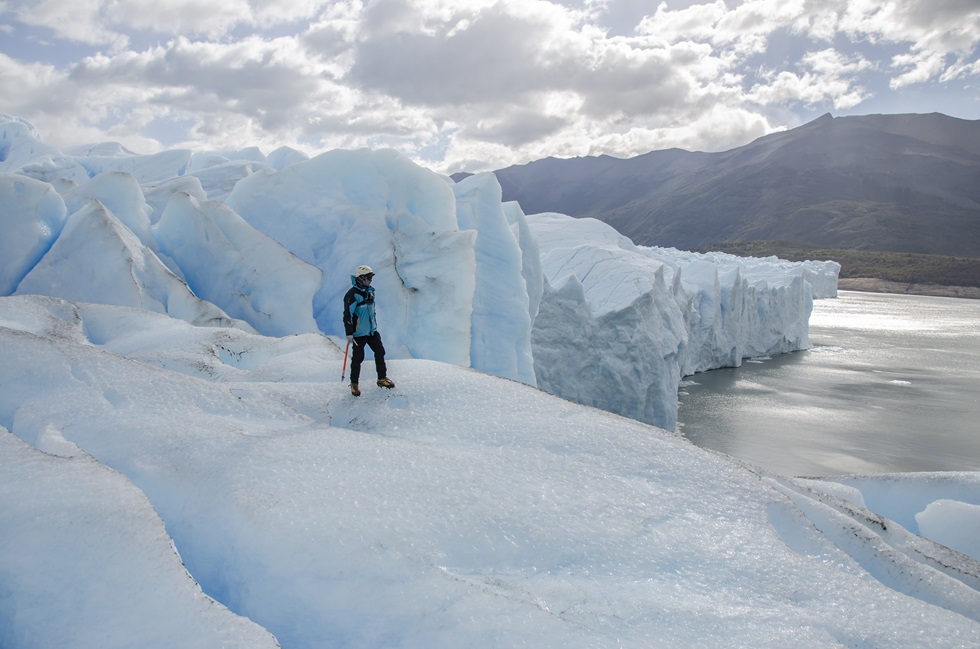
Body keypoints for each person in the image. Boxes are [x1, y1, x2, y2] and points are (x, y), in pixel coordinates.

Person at [343, 265, 395, 396]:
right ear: (361, 278)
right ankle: (354, 384)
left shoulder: (370, 291)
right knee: (358, 358)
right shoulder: (352, 295)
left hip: (372, 331)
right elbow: (347, 315)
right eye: (368, 277)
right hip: (359, 333)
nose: (370, 280)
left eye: (371, 277)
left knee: (380, 352)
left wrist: (374, 327)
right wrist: (349, 333)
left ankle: (382, 379)